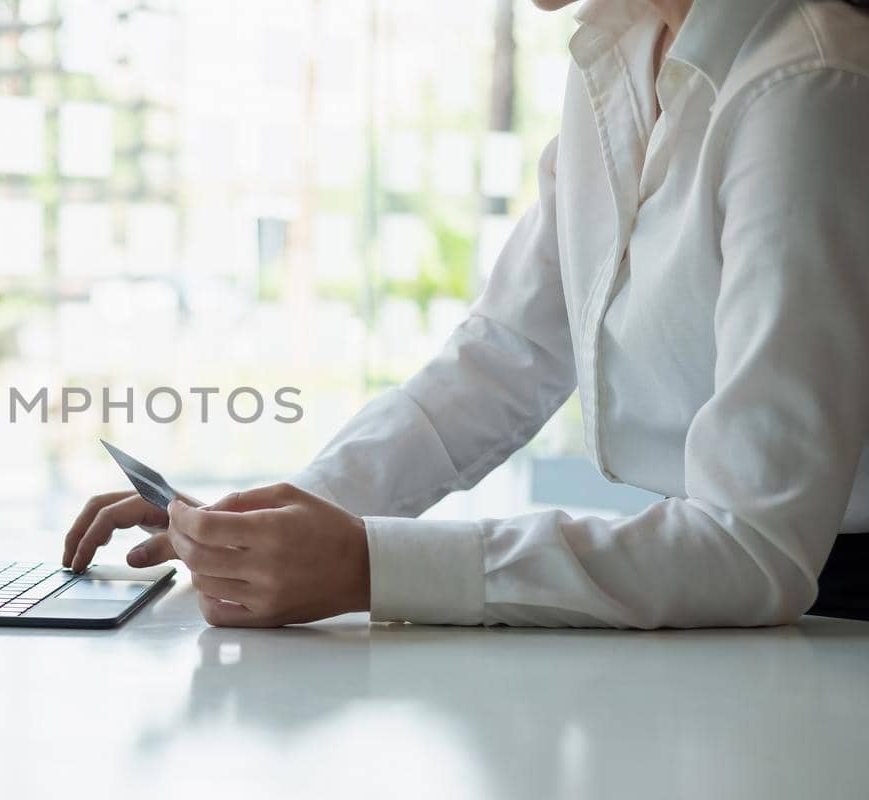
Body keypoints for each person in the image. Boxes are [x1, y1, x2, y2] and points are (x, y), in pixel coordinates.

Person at [61, 0, 869, 629]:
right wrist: (274, 523)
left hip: (827, 628)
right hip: (719, 611)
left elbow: (754, 548)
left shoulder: (805, 87)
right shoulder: (619, 49)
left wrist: (371, 566)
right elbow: (505, 353)